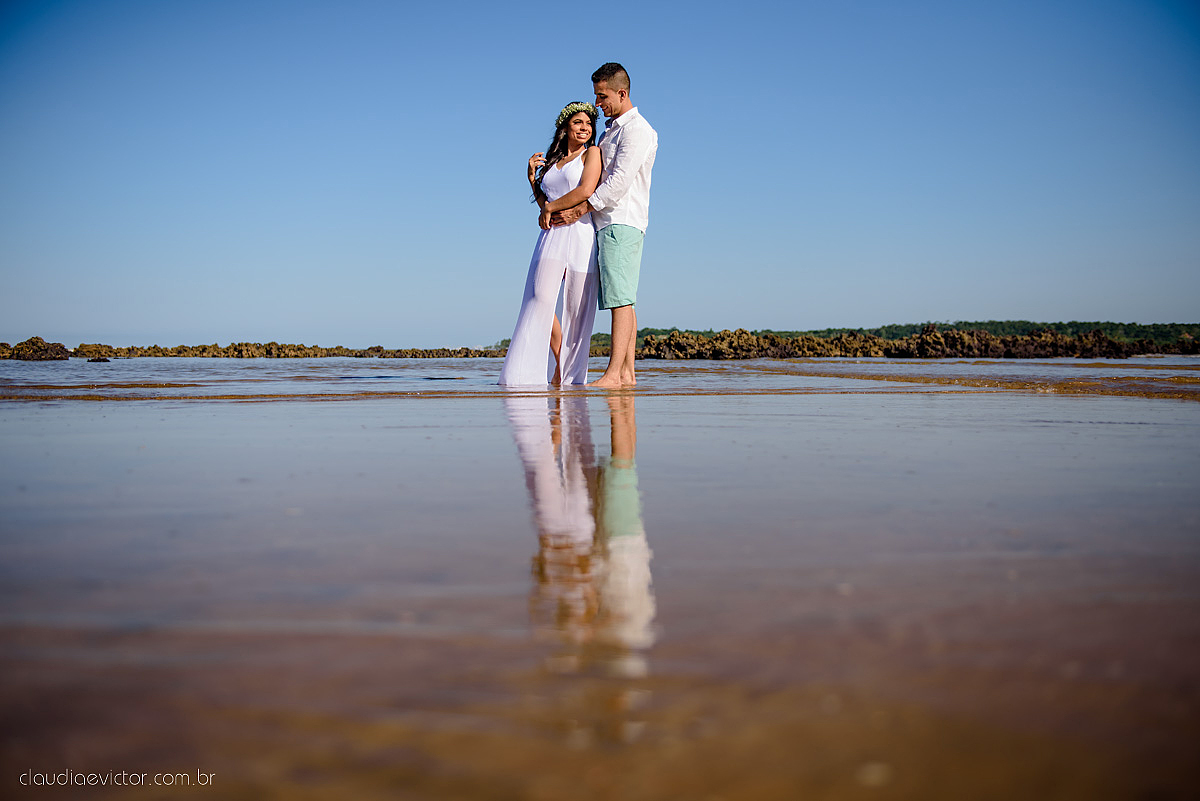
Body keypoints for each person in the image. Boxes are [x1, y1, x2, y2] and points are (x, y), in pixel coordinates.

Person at [544, 63, 657, 388]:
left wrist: (580, 208)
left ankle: (612, 374)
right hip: (607, 221)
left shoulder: (636, 130)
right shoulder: (611, 131)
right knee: (625, 298)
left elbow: (618, 182)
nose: (597, 103)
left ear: (622, 93)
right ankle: (626, 373)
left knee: (620, 299)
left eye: (602, 96)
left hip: (621, 221)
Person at [498, 102, 603, 386]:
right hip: (551, 237)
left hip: (581, 236)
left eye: (589, 124)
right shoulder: (554, 164)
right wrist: (532, 181)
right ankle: (532, 374)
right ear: (564, 127)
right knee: (539, 300)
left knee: (576, 311)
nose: (585, 128)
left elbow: (586, 190)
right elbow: (545, 205)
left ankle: (567, 378)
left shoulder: (591, 153)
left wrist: (550, 207)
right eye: (578, 123)